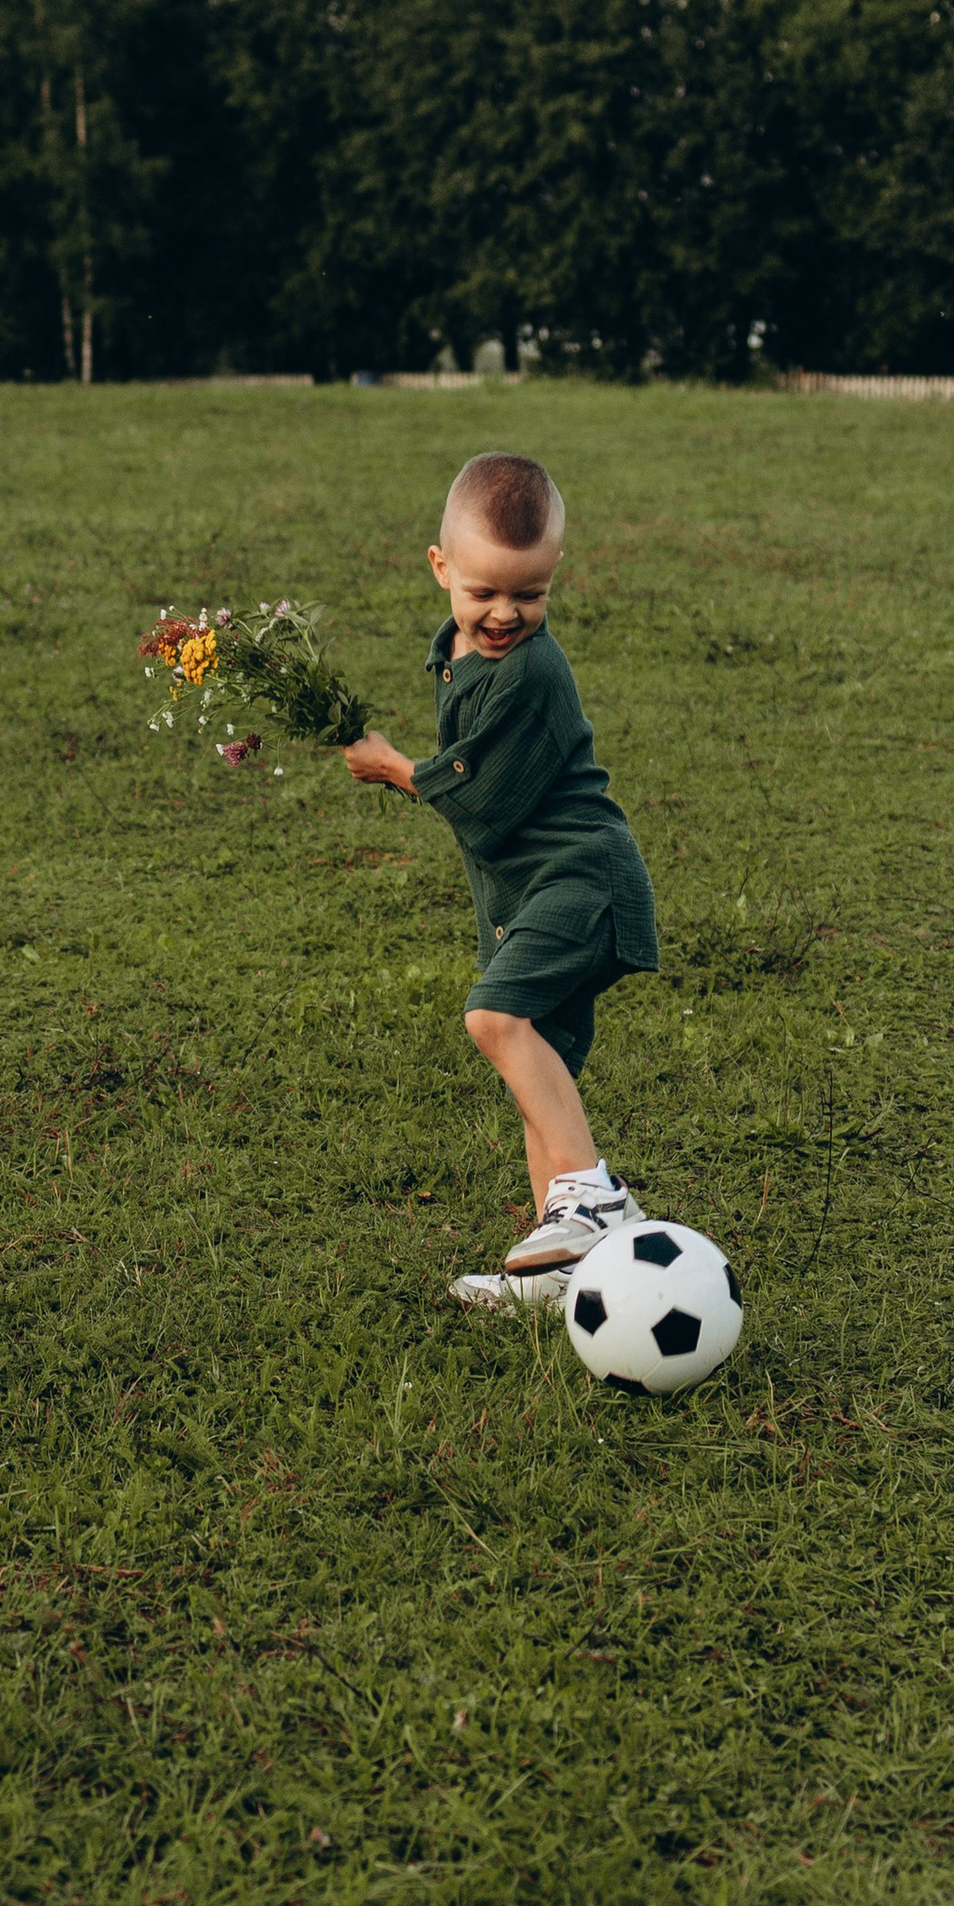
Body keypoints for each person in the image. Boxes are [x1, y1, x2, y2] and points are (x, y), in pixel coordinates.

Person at [341, 449, 658, 1305]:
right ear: (441, 568)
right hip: (529, 892)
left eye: (530, 594)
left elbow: (479, 802)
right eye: (484, 592)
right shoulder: (461, 653)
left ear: (555, 575)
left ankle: (593, 1199)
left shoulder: (531, 673)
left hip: (581, 879)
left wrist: (397, 766)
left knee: (493, 1015)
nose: (506, 613)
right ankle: (562, 1271)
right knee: (537, 1079)